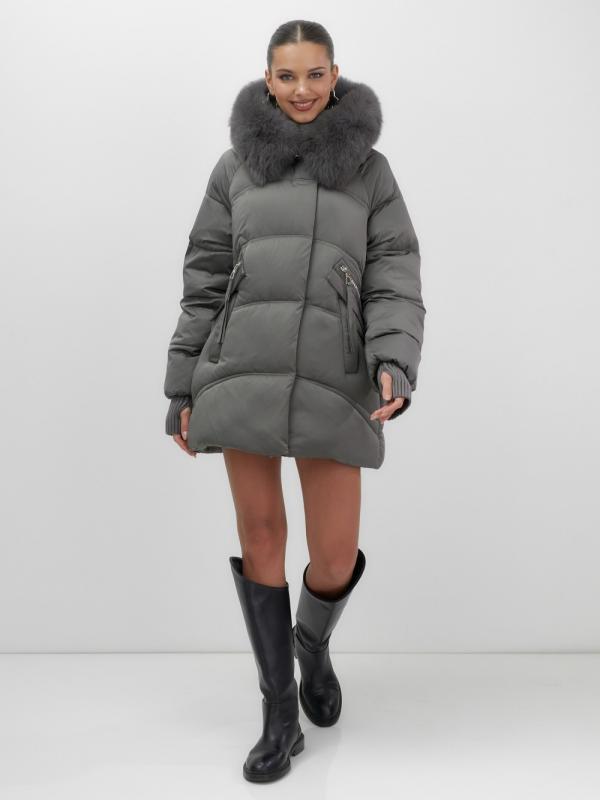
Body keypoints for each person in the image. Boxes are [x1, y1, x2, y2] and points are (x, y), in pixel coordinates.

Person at [162, 19, 426, 783]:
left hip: (331, 377)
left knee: (334, 556)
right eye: (287, 76)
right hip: (240, 370)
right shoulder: (234, 169)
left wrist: (393, 360)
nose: (301, 90)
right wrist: (181, 384)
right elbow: (205, 279)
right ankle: (280, 715)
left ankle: (312, 644)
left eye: (314, 74)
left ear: (335, 75)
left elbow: (394, 274)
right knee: (263, 537)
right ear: (267, 78)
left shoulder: (370, 172)